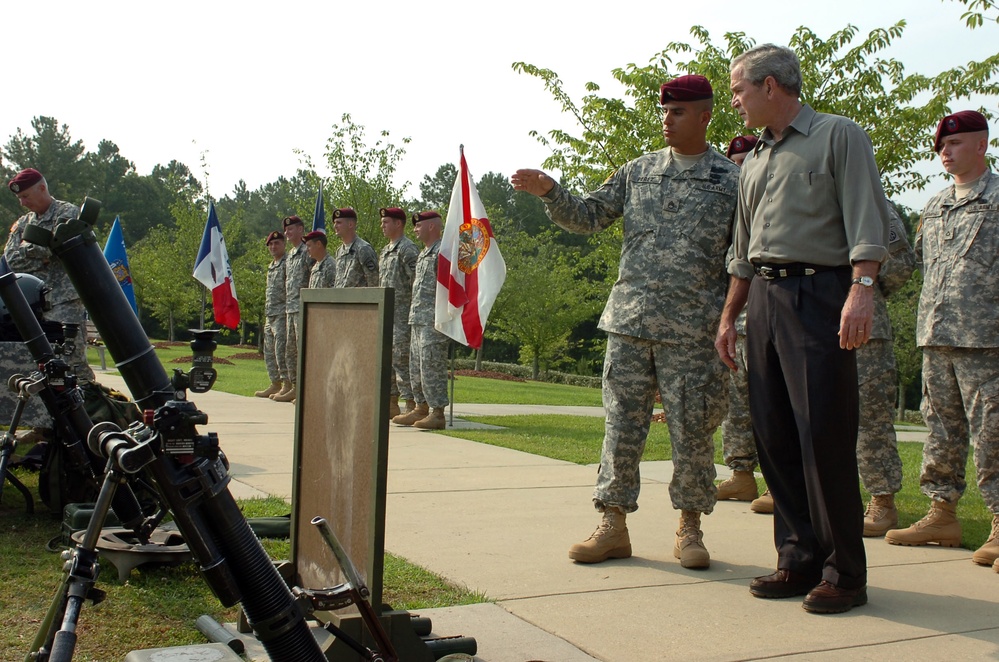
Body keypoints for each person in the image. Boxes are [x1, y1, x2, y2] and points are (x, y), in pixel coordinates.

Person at [512, 74, 740, 570]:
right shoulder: (638, 171)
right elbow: (589, 215)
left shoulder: (732, 181)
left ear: (704, 115)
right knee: (621, 428)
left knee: (693, 431)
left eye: (678, 112)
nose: (667, 119)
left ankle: (690, 527)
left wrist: (733, 321)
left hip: (694, 331)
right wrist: (551, 190)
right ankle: (612, 524)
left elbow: (744, 257)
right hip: (631, 322)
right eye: (664, 111)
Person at [716, 44, 888, 613]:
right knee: (775, 433)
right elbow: (743, 249)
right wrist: (729, 317)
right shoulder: (757, 158)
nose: (734, 100)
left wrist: (860, 290)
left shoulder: (839, 135)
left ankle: (845, 571)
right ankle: (798, 557)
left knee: (823, 433)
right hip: (763, 298)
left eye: (739, 89)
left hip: (820, 293)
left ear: (771, 86)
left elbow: (867, 219)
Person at [731, 202, 916, 538]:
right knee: (800, 415)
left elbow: (902, 262)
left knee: (870, 415)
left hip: (863, 330)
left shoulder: (872, 206)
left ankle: (882, 500)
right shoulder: (806, 204)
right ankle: (798, 497)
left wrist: (858, 290)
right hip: (809, 323)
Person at [885, 110, 999, 571]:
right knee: (940, 429)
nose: (945, 153)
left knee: (994, 433)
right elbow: (918, 265)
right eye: (941, 147)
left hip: (987, 338)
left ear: (982, 145)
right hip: (936, 335)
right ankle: (942, 514)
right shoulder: (934, 205)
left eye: (955, 144)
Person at [5, 168, 95, 384]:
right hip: (32, 304)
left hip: (63, 302)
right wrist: (42, 252)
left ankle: (91, 407)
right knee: (37, 362)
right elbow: (10, 259)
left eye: (25, 196)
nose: (22, 203)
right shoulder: (23, 223)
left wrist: (38, 251)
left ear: (42, 188)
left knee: (72, 362)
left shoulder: (67, 213)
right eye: (19, 198)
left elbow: (56, 246)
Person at [716, 136, 762, 504]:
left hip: (770, 321)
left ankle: (783, 485)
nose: (741, 169)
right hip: (734, 325)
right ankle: (741, 474)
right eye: (736, 162)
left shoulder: (771, 204)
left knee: (778, 407)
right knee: (735, 407)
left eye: (748, 160)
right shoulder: (722, 209)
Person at [392, 211, 450, 431]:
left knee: (430, 366)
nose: (415, 229)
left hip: (433, 321)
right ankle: (420, 407)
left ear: (432, 227)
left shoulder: (443, 252)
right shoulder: (425, 253)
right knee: (416, 366)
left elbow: (450, 287)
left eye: (419, 226)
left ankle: (437, 412)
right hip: (417, 318)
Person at [378, 207, 419, 419]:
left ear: (399, 224)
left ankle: (412, 404)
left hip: (402, 316)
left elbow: (417, 282)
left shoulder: (408, 249)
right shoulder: (385, 251)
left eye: (386, 222)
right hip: (387, 315)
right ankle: (392, 402)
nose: (382, 226)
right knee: (388, 361)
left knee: (402, 360)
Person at [276, 215, 313, 403]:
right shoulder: (290, 254)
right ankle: (294, 386)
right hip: (290, 308)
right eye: (286, 230)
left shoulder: (308, 251)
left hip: (303, 309)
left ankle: (305, 389)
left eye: (291, 229)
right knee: (290, 351)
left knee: (303, 350)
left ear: (300, 229)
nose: (287, 233)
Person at [255, 231, 287, 398]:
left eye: (277, 243)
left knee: (282, 350)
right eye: (271, 244)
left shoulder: (288, 263)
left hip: (283, 314)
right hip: (270, 314)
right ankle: (275, 383)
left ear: (284, 244)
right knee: (269, 352)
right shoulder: (271, 265)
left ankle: (286, 384)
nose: (273, 247)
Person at [331, 208, 379, 288]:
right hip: (341, 299)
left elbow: (374, 281)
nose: (335, 226)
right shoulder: (339, 251)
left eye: (339, 223)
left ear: (350, 224)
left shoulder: (363, 249)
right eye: (334, 223)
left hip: (359, 300)